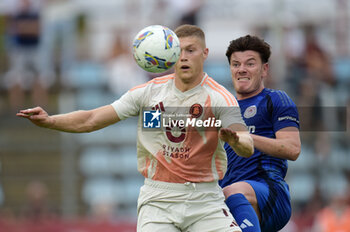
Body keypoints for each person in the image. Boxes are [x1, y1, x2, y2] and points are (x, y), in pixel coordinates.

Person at [17, 24, 254, 232]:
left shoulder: (220, 98)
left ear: (205, 54)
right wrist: (51, 121)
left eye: (190, 50)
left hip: (204, 198)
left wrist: (236, 141)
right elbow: (91, 119)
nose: (183, 57)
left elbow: (247, 144)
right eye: (178, 50)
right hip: (158, 199)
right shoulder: (148, 93)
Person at [219, 35, 301, 232]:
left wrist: (245, 138)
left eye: (250, 63)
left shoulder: (275, 100)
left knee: (231, 192)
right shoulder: (222, 109)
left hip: (269, 191)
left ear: (264, 69)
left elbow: (292, 149)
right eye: (236, 64)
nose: (242, 69)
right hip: (225, 198)